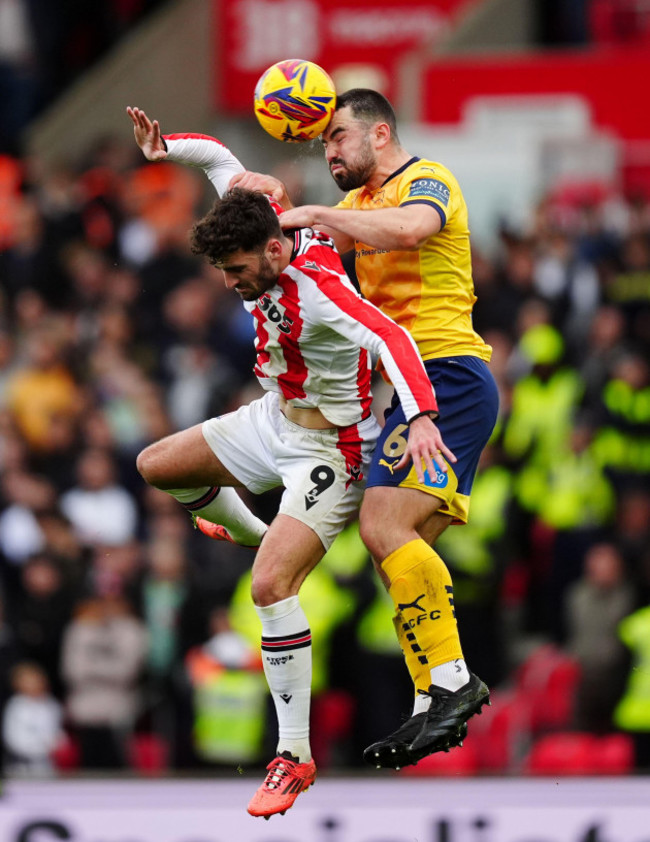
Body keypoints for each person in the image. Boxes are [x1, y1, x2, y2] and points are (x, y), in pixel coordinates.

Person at [127, 106, 452, 818]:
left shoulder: (321, 289)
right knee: (157, 465)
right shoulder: (257, 223)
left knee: (270, 587)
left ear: (275, 252)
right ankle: (246, 525)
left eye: (239, 273)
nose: (232, 285)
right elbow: (219, 162)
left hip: (330, 449)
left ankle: (295, 755)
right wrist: (165, 149)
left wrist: (422, 414)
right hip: (271, 416)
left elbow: (392, 338)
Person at [231, 88, 498, 769]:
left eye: (339, 138)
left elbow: (409, 230)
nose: (330, 152)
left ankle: (453, 685)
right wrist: (257, 193)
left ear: (380, 134)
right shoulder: (350, 210)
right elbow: (286, 247)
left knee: (384, 527)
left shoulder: (426, 180)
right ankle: (432, 698)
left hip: (447, 377)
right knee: (397, 551)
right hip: (413, 387)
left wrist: (318, 210)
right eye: (323, 143)